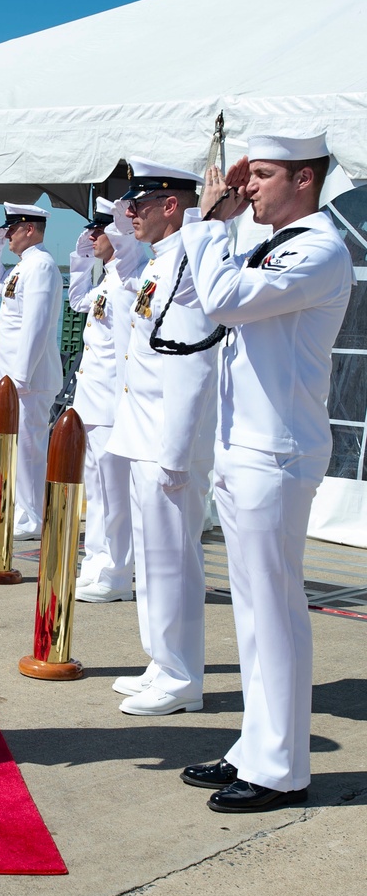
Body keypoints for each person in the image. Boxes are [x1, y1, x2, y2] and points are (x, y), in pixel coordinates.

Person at [176, 133, 353, 811]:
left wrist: (205, 222)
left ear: (305, 179)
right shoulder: (269, 245)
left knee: (276, 615)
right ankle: (256, 746)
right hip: (246, 447)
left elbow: (222, 301)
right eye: (246, 177)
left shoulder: (319, 248)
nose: (247, 187)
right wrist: (216, 232)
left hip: (276, 453)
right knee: (252, 615)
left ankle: (282, 767)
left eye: (264, 175)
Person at [106, 158, 218, 715]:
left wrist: (175, 453)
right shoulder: (160, 262)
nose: (129, 213)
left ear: (170, 206)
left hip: (168, 441)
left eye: (140, 203)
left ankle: (181, 679)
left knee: (173, 558)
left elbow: (191, 364)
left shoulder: (189, 263)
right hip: (143, 433)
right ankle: (161, 659)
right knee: (153, 560)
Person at [68, 197, 140, 602]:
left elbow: (127, 351)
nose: (91, 237)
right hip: (93, 402)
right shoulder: (109, 279)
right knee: (96, 492)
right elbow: (79, 303)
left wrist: (123, 410)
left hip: (112, 406)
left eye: (99, 230)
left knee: (115, 496)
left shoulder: (128, 283)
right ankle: (97, 562)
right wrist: (80, 264)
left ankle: (116, 572)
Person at [0, 203, 62, 540]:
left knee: (29, 450)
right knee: (20, 448)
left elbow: (36, 326)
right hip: (14, 378)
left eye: (11, 230)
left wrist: (21, 378)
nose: (7, 234)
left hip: (28, 380)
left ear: (29, 228)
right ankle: (23, 512)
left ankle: (32, 518)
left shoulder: (41, 266)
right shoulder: (24, 267)